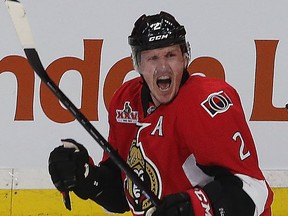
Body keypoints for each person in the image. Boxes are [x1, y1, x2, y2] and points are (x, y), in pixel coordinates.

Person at [48, 11, 273, 216]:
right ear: (138, 64)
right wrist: (88, 178)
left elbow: (254, 190)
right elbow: (125, 196)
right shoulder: (126, 101)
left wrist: (193, 206)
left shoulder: (204, 102)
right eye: (152, 58)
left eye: (171, 55)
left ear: (185, 58)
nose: (163, 67)